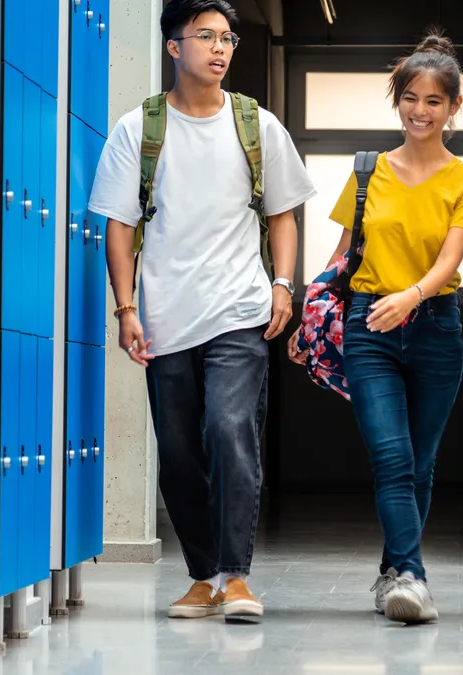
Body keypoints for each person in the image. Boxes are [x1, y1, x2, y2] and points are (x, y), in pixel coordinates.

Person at [89, 0, 316, 621]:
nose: (220, 48)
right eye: (206, 36)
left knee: (229, 431)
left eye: (228, 39)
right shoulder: (138, 129)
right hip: (164, 317)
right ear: (173, 47)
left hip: (238, 312)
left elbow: (283, 214)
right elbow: (118, 224)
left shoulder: (257, 125)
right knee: (181, 450)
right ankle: (202, 575)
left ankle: (236, 577)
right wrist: (126, 307)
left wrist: (283, 286)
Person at [289, 32, 463, 624]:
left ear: (454, 108)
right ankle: (412, 577)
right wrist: (312, 319)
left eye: (433, 100)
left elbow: (450, 263)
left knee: (420, 464)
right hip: (366, 326)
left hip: (435, 328)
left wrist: (410, 297)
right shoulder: (366, 171)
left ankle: (391, 571)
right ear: (396, 101)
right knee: (391, 457)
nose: (419, 110)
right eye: (410, 97)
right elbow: (341, 255)